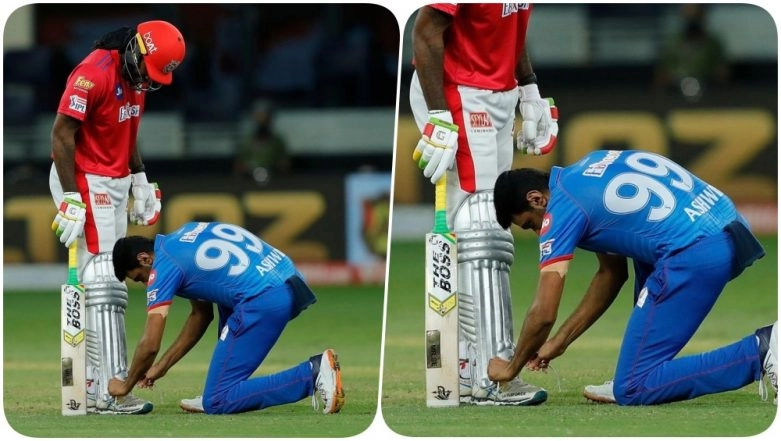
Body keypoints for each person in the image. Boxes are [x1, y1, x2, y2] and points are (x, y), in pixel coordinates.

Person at [490, 149, 777, 406]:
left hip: (694, 253)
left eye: (530, 224)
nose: (537, 232)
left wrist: (510, 368)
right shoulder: (590, 166)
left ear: (537, 199)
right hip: (729, 225)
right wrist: (560, 342)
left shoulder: (562, 210)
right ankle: (635, 366)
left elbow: (543, 314)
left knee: (634, 388)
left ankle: (761, 350)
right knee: (642, 249)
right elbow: (611, 274)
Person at [408, 3, 558, 406]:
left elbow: (509, 27)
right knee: (483, 223)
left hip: (500, 91)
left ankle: (465, 368)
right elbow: (425, 29)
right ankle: (493, 376)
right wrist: (440, 114)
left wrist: (528, 86)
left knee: (484, 223)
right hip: (460, 89)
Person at [49, 20, 186, 414]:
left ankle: (92, 386)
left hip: (115, 179)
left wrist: (139, 177)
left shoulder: (135, 78)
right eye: (148, 69)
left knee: (105, 281)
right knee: (106, 280)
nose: (148, 80)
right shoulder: (92, 75)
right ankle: (112, 392)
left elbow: (127, 129)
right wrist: (72, 196)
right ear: (135, 50)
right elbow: (61, 134)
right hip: (85, 176)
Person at [109, 221, 345, 415]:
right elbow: (201, 315)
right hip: (289, 279)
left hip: (263, 299)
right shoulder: (185, 234)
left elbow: (150, 345)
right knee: (225, 298)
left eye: (139, 277)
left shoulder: (164, 267)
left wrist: (126, 384)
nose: (143, 283)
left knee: (219, 401)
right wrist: (162, 366)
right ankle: (217, 386)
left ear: (144, 258)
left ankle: (311, 373)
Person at [653, 4, 730, 99]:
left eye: (696, 16)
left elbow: (722, 75)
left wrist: (708, 81)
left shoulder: (713, 44)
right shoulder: (672, 43)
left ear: (702, 16)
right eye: (688, 16)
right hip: (675, 96)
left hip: (708, 96)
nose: (692, 20)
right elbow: (661, 77)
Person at [233, 99, 290, 183]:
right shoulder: (246, 141)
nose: (261, 122)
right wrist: (249, 169)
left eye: (265, 118)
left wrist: (272, 168)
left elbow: (285, 166)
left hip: (273, 182)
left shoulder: (277, 142)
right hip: (248, 182)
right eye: (258, 117)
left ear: (270, 120)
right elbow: (238, 167)